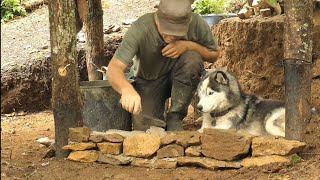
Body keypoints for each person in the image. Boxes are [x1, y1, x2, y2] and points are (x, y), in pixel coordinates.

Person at [106, 0, 220, 131]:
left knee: (192, 58)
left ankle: (175, 117)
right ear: (157, 19)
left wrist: (189, 46)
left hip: (181, 76)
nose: (171, 37)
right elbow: (114, 69)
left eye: (177, 33)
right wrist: (127, 90)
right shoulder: (141, 28)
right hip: (149, 81)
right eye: (167, 31)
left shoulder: (196, 22)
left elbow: (214, 55)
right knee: (147, 130)